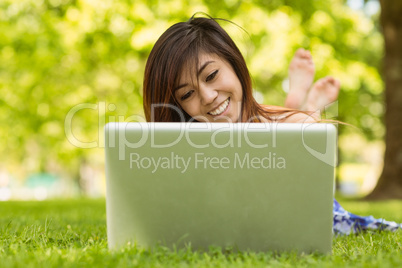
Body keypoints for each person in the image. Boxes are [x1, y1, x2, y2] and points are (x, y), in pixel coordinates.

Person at [142, 14, 401, 235]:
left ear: (234, 63)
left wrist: (304, 119)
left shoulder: (277, 126)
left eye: (211, 75)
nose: (208, 97)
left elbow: (308, 188)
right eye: (187, 94)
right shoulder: (182, 152)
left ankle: (304, 105)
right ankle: (299, 101)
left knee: (297, 129)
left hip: (298, 187)